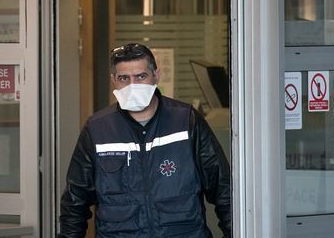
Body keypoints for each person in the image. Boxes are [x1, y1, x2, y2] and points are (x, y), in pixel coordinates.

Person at [58, 43, 231, 237]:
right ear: (114, 80)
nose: (133, 85)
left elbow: (223, 189)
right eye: (124, 78)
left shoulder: (186, 121)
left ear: (156, 76)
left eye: (141, 76)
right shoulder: (98, 129)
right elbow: (75, 202)